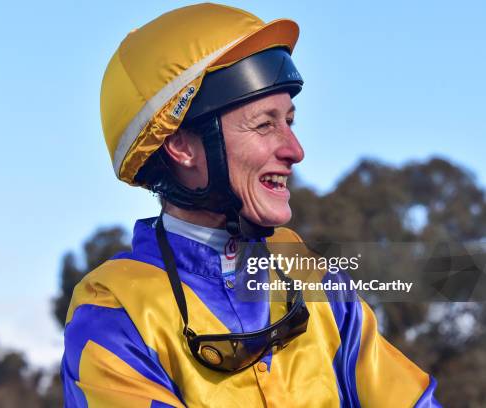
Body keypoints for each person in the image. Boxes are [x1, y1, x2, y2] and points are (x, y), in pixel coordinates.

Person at [61, 3, 440, 407]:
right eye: (264, 124)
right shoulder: (113, 312)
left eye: (289, 121)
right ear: (181, 145)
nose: (295, 150)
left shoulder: (317, 283)